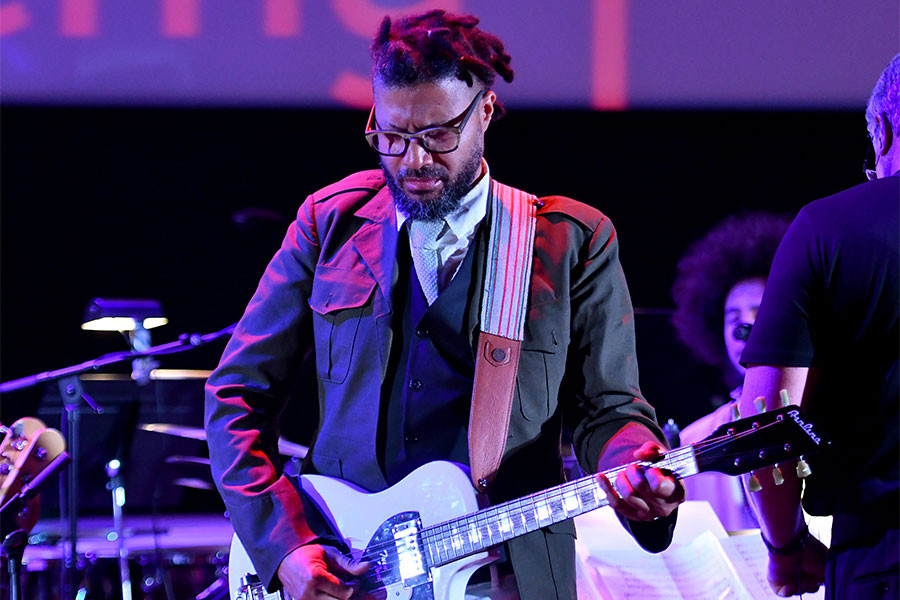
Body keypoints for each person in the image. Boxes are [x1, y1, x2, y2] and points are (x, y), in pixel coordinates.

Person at [205, 10, 683, 600]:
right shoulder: (326, 224)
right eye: (392, 136)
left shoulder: (568, 241)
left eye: (436, 135)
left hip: (510, 575)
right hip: (352, 573)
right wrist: (284, 547)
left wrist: (637, 463)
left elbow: (609, 410)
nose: (413, 161)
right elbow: (235, 396)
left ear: (484, 112)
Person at [738, 53, 899, 598]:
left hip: (882, 560)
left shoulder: (826, 229)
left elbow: (766, 424)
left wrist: (786, 546)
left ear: (880, 129)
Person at [671, 212, 791, 531]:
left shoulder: (824, 422)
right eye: (732, 316)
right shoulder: (693, 442)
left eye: (759, 311)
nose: (743, 326)